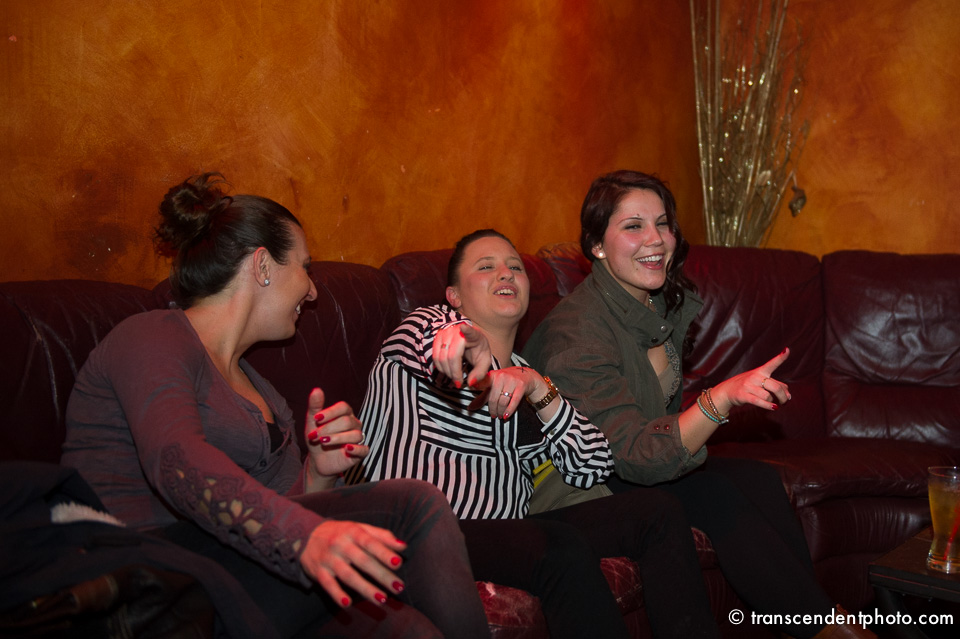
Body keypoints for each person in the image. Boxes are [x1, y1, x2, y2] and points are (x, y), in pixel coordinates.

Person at [61, 173, 491, 639]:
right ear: (263, 265)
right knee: (413, 503)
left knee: (402, 628)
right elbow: (175, 461)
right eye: (305, 267)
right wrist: (302, 534)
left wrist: (318, 473)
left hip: (233, 572)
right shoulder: (152, 336)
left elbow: (275, 513)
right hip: (142, 581)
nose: (314, 291)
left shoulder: (264, 394)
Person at [523, 169, 877, 639]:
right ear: (597, 245)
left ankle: (811, 620)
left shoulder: (655, 304)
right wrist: (719, 399)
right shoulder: (576, 332)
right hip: (579, 482)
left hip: (628, 462)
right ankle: (829, 631)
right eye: (633, 226)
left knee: (759, 479)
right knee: (714, 495)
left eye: (662, 223)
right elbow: (626, 454)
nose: (655, 239)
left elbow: (652, 424)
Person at [348, 229, 722, 639]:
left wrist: (538, 389)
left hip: (500, 534)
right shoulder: (420, 328)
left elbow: (593, 465)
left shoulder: (529, 376)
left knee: (657, 511)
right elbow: (437, 343)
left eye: (515, 267)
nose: (505, 274)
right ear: (453, 296)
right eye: (486, 267)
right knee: (558, 547)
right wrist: (460, 339)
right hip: (414, 531)